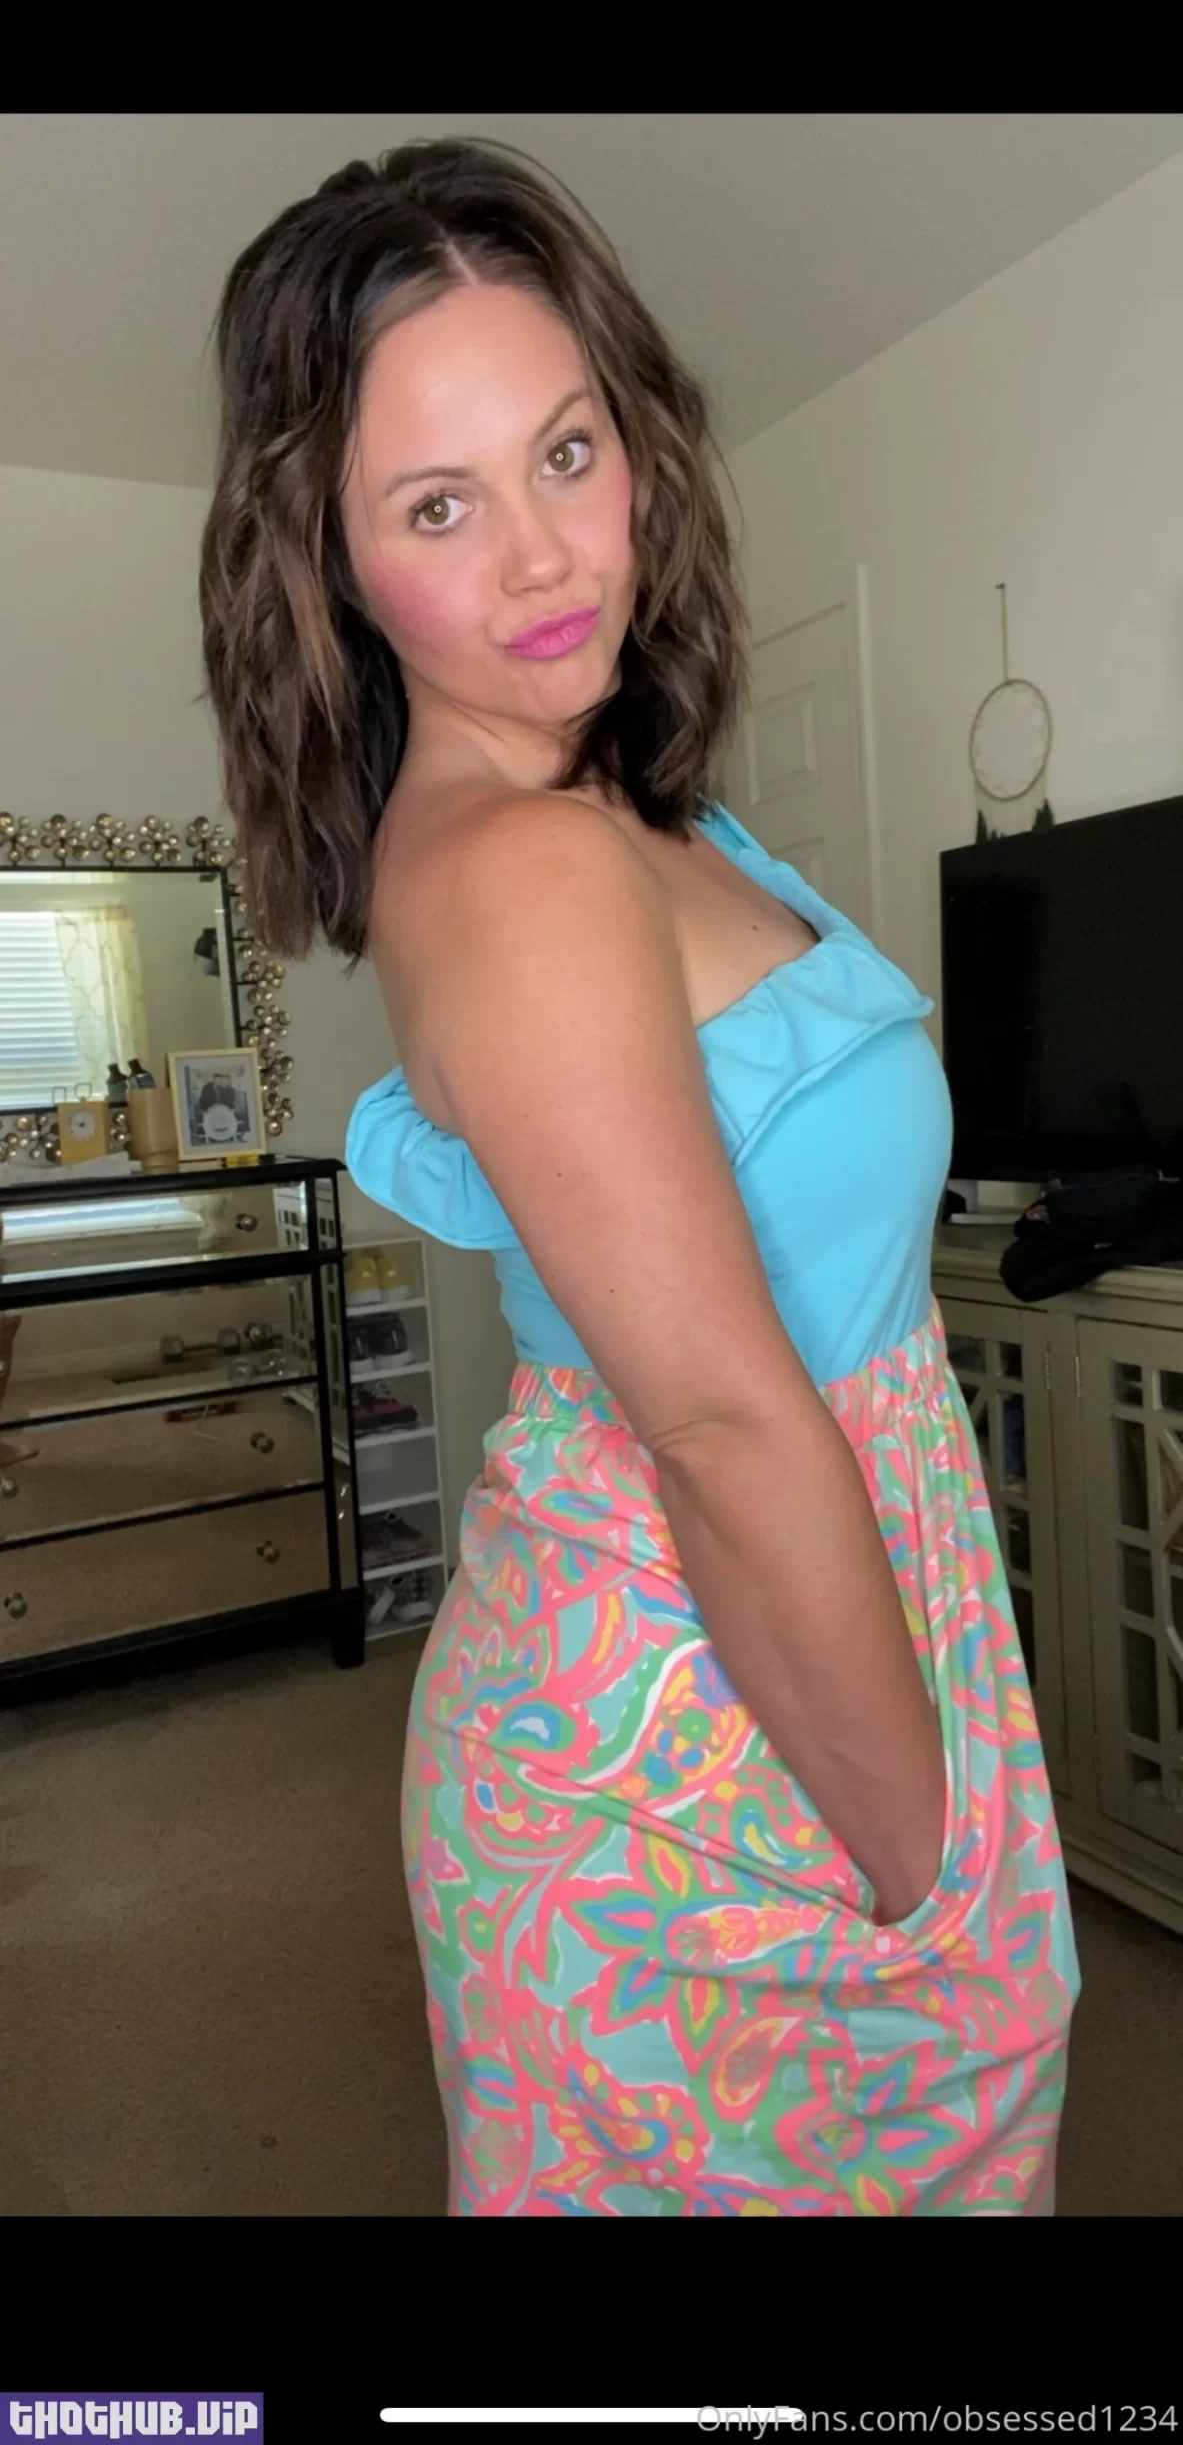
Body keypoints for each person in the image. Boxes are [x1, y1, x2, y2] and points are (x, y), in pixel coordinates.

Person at [199, 137, 1080, 2217]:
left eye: (566, 451)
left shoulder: (615, 798)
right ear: (332, 565)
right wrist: (941, 1884)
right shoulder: (523, 869)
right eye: (438, 504)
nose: (542, 558)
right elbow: (716, 1424)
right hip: (687, 1751)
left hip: (807, 1635)